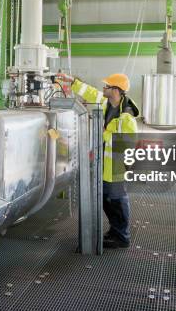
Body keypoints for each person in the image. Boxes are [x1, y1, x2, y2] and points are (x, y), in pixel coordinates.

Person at [58, 73, 139, 249]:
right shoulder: (106, 103)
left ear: (116, 91)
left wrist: (101, 131)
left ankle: (122, 237)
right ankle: (115, 229)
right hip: (104, 165)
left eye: (107, 86)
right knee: (104, 199)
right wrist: (73, 82)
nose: (104, 88)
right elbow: (92, 93)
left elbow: (127, 143)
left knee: (117, 202)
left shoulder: (127, 117)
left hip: (116, 166)